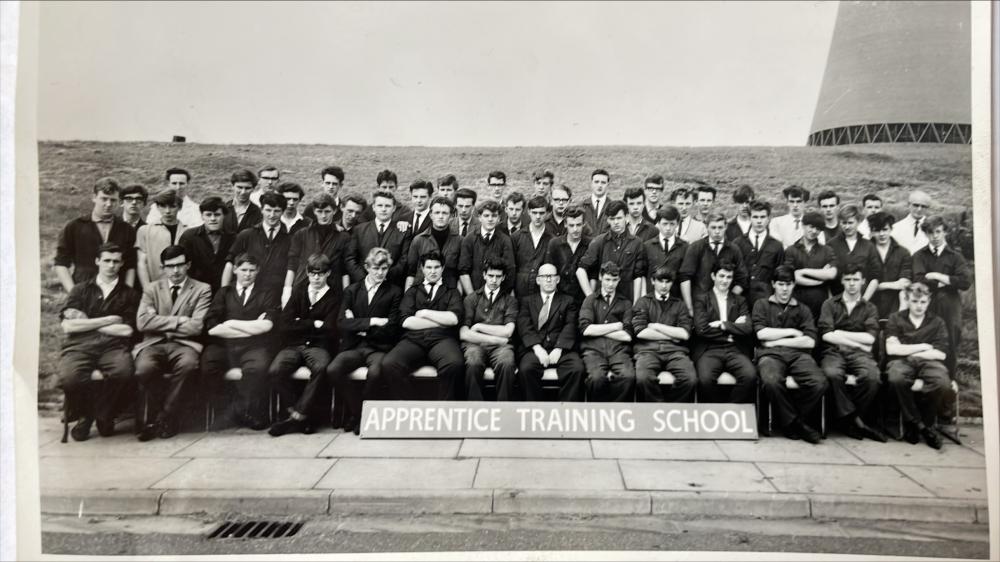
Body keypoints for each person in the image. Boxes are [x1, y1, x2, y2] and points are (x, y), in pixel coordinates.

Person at [58, 243, 140, 441]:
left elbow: (127, 330)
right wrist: (108, 320)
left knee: (124, 373)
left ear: (121, 264)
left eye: (116, 261)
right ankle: (86, 415)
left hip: (113, 346)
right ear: (97, 261)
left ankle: (105, 414)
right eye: (107, 261)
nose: (111, 265)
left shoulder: (130, 294)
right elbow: (69, 326)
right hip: (79, 346)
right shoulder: (80, 290)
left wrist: (87, 322)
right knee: (69, 378)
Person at [320, 247, 403, 435]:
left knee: (375, 373)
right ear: (367, 267)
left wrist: (358, 326)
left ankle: (361, 416)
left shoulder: (394, 292)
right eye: (376, 269)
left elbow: (392, 327)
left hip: (379, 348)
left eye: (384, 269)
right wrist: (372, 322)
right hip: (354, 347)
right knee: (333, 370)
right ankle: (358, 413)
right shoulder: (352, 290)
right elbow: (342, 322)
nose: (380, 273)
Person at [133, 245, 212, 441]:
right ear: (163, 268)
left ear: (188, 265)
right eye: (170, 266)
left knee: (187, 366)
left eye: (180, 265)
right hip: (153, 343)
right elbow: (142, 322)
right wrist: (178, 321)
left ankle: (164, 416)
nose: (175, 271)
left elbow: (196, 327)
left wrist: (159, 321)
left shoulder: (202, 289)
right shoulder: (152, 288)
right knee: (144, 368)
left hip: (186, 345)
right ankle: (163, 417)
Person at [201, 254, 279, 431]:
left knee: (257, 368)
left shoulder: (266, 293)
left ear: (258, 271)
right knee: (208, 366)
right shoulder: (224, 293)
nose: (248, 274)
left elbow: (267, 325)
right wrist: (252, 326)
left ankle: (249, 413)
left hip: (254, 347)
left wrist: (230, 323)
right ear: (235, 270)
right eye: (243, 270)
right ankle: (226, 412)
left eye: (252, 270)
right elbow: (212, 327)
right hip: (224, 345)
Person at [753, 265, 828, 444]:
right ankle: (797, 423)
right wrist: (793, 332)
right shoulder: (762, 304)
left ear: (794, 285)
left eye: (788, 284)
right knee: (770, 381)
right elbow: (761, 334)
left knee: (820, 382)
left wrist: (776, 340)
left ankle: (791, 421)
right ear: (773, 284)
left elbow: (809, 341)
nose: (784, 289)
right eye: (780, 284)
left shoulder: (803, 309)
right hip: (770, 355)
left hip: (798, 356)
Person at [267, 254, 340, 437]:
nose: (316, 278)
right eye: (313, 273)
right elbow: (284, 324)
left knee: (321, 368)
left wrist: (300, 322)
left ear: (328, 273)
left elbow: (330, 329)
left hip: (319, 347)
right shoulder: (299, 291)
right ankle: (300, 415)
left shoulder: (334, 296)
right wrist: (313, 323)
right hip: (293, 345)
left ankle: (295, 418)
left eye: (321, 273)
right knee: (276, 369)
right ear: (307, 273)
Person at [380, 251, 465, 400]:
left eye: (437, 267)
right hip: (413, 339)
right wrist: (440, 321)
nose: (433, 271)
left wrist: (424, 312)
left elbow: (453, 319)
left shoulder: (452, 291)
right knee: (390, 364)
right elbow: (406, 321)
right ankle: (409, 409)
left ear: (443, 268)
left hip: (442, 340)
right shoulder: (412, 291)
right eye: (429, 267)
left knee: (454, 363)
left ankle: (443, 412)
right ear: (422, 268)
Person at [817, 265, 888, 441]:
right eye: (848, 279)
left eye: (856, 280)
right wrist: (853, 339)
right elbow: (826, 335)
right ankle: (856, 422)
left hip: (860, 354)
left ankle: (847, 420)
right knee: (832, 374)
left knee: (872, 377)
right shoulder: (830, 304)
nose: (851, 284)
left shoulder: (869, 307)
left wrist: (839, 334)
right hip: (833, 352)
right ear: (842, 281)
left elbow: (870, 339)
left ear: (863, 282)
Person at [885, 283, 954, 449]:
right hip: (901, 362)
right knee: (896, 378)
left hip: (929, 362)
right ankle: (920, 426)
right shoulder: (895, 318)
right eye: (915, 301)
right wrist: (923, 346)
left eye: (923, 302)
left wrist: (908, 351)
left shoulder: (937, 322)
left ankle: (920, 424)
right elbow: (891, 349)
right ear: (908, 300)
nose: (919, 306)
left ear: (928, 301)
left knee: (942, 382)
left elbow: (941, 354)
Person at [516, 263, 586, 402]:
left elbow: (570, 325)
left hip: (562, 349)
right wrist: (537, 348)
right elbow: (524, 325)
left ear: (558, 279)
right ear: (538, 280)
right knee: (526, 369)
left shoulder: (568, 301)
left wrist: (559, 349)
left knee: (577, 369)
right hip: (535, 349)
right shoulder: (527, 301)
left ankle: (566, 412)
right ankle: (534, 411)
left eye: (552, 276)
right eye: (544, 276)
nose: (548, 280)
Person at [912, 215, 972, 376]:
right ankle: (926, 378)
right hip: (926, 303)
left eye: (938, 232)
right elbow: (918, 279)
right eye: (931, 233)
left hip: (950, 304)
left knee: (951, 337)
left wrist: (936, 276)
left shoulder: (955, 256)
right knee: (926, 337)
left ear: (944, 232)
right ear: (926, 234)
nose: (935, 236)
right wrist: (948, 281)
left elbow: (965, 282)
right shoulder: (919, 256)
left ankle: (950, 380)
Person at [55, 177, 137, 291]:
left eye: (113, 200)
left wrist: (127, 294)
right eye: (104, 199)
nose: (108, 204)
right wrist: (73, 292)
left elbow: (130, 266)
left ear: (118, 201)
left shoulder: (127, 229)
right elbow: (61, 263)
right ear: (94, 198)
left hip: (116, 294)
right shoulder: (74, 227)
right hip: (83, 291)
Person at [691, 261, 756, 404]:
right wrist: (733, 329)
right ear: (713, 276)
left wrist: (723, 325)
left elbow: (747, 328)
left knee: (750, 376)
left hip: (735, 349)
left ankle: (730, 411)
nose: (725, 281)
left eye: (729, 277)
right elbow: (702, 329)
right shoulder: (702, 299)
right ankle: (718, 413)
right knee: (705, 380)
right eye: (721, 276)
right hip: (710, 349)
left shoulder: (740, 301)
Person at [632, 265, 697, 403]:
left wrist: (656, 326)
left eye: (668, 282)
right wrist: (672, 335)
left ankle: (672, 410)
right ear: (653, 281)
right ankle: (657, 409)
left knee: (690, 379)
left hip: (675, 352)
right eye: (660, 281)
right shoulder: (643, 302)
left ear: (672, 283)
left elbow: (685, 334)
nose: (664, 285)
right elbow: (641, 332)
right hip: (648, 351)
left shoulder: (679, 304)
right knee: (643, 378)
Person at [460, 259, 519, 401]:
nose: (494, 280)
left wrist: (479, 327)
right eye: (491, 275)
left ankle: (503, 410)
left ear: (503, 278)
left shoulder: (510, 301)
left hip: (500, 348)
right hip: (476, 345)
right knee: (473, 362)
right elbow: (464, 333)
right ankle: (475, 410)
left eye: (498, 277)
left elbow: (508, 331)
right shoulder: (471, 299)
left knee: (506, 362)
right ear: (484, 275)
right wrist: (496, 338)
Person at [579, 262, 636, 402]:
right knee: (596, 378)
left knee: (628, 377)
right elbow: (586, 330)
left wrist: (598, 329)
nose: (611, 284)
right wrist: (616, 326)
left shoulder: (626, 303)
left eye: (614, 280)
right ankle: (597, 414)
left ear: (619, 280)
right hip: (593, 350)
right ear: (600, 277)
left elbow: (627, 336)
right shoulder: (590, 300)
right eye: (607, 279)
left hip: (619, 350)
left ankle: (616, 413)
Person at [283, 193, 351, 308]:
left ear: (334, 211)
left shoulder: (343, 237)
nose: (323, 216)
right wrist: (287, 290)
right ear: (314, 211)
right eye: (320, 211)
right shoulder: (302, 234)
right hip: (302, 289)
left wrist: (346, 298)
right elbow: (292, 265)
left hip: (331, 293)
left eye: (327, 211)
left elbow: (345, 271)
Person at [678, 212, 749, 316]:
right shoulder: (696, 247)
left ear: (726, 227)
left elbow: (742, 278)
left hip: (726, 307)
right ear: (707, 227)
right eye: (713, 227)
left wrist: (728, 299)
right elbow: (685, 277)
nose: (717, 231)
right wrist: (689, 308)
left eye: (720, 227)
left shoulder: (734, 249)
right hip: (699, 304)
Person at [576, 200, 646, 303]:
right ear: (608, 220)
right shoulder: (599, 242)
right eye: (612, 219)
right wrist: (590, 298)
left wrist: (635, 304)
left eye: (619, 218)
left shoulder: (637, 243)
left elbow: (638, 276)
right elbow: (580, 270)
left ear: (626, 218)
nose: (616, 222)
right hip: (603, 302)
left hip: (626, 301)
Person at [223, 192, 291, 292]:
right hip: (247, 293)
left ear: (283, 212)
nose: (272, 215)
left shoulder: (290, 239)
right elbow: (230, 264)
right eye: (268, 210)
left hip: (275, 294)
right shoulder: (246, 235)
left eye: (276, 211)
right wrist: (223, 293)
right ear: (261, 210)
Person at [345, 190, 411, 286]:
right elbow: (350, 258)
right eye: (380, 205)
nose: (383, 209)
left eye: (387, 206)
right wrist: (365, 279)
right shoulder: (359, 230)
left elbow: (404, 260)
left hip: (391, 285)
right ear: (373, 207)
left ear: (394, 208)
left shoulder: (402, 231)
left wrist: (384, 276)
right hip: (363, 285)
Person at [783, 211, 838, 321]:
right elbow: (790, 277)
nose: (814, 231)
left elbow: (831, 274)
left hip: (820, 303)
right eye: (811, 227)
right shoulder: (791, 250)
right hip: (797, 301)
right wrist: (819, 280)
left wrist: (802, 272)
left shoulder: (827, 250)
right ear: (803, 225)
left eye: (818, 229)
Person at [178, 196, 235, 295]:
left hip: (225, 292)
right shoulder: (189, 236)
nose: (213, 219)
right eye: (208, 215)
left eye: (217, 215)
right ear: (202, 216)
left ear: (224, 216)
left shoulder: (233, 238)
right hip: (196, 292)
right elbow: (183, 266)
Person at [733, 200, 784, 310]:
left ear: (769, 218)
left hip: (766, 301)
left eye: (762, 217)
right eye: (755, 217)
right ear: (750, 218)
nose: (759, 221)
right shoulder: (738, 243)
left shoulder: (777, 246)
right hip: (741, 300)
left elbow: (779, 276)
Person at [460, 199, 516, 295]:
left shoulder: (505, 240)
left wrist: (498, 297)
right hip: (474, 292)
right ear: (479, 217)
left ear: (499, 218)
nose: (490, 219)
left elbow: (509, 271)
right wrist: (472, 297)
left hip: (497, 295)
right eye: (486, 216)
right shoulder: (469, 239)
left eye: (494, 216)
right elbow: (463, 271)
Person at [406, 196, 462, 291]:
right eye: (437, 213)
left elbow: (461, 273)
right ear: (431, 215)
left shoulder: (460, 241)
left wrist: (457, 296)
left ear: (451, 216)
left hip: (449, 292)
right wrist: (407, 296)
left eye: (444, 213)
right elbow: (411, 273)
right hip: (422, 292)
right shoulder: (418, 240)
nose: (440, 216)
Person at [825, 205, 882, 299]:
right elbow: (826, 277)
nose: (847, 227)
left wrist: (864, 301)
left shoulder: (868, 246)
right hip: (837, 299)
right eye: (844, 223)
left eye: (850, 223)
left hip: (862, 298)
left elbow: (875, 276)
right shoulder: (831, 245)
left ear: (859, 222)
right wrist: (832, 302)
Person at [136, 190, 189, 289]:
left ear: (180, 207)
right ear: (157, 207)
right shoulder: (145, 231)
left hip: (182, 288)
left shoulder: (188, 232)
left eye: (172, 206)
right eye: (163, 206)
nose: (167, 211)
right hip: (155, 286)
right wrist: (147, 288)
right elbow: (142, 263)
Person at [868, 212, 912, 320]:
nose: (882, 234)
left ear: (891, 229)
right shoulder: (864, 250)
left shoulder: (903, 252)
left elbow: (905, 283)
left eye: (885, 229)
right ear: (872, 232)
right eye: (877, 230)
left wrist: (880, 286)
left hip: (895, 304)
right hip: (870, 304)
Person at [544, 206, 591, 306]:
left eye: (578, 225)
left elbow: (594, 275)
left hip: (583, 299)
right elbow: (549, 271)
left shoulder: (591, 244)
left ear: (584, 224)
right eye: (571, 225)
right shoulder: (554, 244)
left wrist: (590, 301)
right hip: (560, 299)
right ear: (565, 224)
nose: (575, 229)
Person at [511, 196, 556, 297]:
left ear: (547, 213)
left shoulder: (552, 240)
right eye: (535, 213)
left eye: (541, 213)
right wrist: (511, 290)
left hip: (541, 291)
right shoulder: (516, 237)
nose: (538, 216)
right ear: (529, 212)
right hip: (519, 290)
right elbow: (511, 266)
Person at [642, 205, 688, 300]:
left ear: (677, 224)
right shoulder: (647, 246)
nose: (668, 228)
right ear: (658, 223)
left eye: (672, 224)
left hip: (675, 300)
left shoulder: (685, 247)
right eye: (665, 224)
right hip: (652, 300)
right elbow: (643, 274)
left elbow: (685, 278)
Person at [891, 190, 933, 255]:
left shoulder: (934, 228)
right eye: (916, 205)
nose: (919, 209)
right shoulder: (896, 228)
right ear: (908, 205)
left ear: (928, 208)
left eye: (923, 206)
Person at [223, 169, 262, 234]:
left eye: (247, 188)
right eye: (239, 187)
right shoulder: (222, 209)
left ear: (253, 189)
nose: (243, 192)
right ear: (232, 187)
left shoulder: (259, 213)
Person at [580, 169, 612, 236]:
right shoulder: (582, 206)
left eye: (603, 182)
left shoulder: (613, 206)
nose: (599, 185)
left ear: (608, 185)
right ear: (591, 183)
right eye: (596, 182)